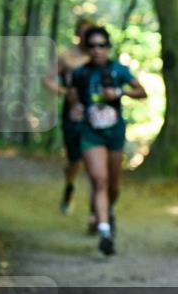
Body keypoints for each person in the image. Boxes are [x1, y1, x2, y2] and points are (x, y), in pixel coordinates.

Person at [68, 26, 148, 256]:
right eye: (92, 46)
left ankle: (107, 212)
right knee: (99, 180)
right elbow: (72, 97)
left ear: (108, 48)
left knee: (113, 185)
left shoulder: (118, 71)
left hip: (114, 133)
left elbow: (142, 92)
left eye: (101, 45)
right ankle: (104, 232)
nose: (97, 50)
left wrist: (120, 93)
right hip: (90, 133)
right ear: (86, 49)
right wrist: (75, 108)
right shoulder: (80, 73)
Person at [43, 17, 93, 218]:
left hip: (94, 116)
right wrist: (65, 91)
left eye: (88, 31)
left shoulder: (98, 56)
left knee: (93, 160)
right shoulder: (66, 56)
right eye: (81, 31)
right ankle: (70, 187)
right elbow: (47, 80)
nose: (85, 35)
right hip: (72, 113)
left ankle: (96, 210)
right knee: (75, 160)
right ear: (77, 33)